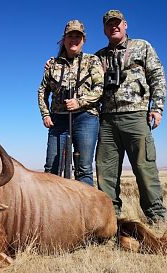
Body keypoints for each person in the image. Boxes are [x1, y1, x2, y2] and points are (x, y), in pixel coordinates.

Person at [95, 10, 167, 225]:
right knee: (105, 173)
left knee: (145, 169)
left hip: (136, 116)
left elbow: (157, 76)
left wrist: (158, 107)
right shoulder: (99, 56)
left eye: (117, 23)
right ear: (105, 29)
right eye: (109, 24)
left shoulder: (142, 46)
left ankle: (156, 218)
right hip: (107, 120)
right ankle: (110, 221)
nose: (114, 27)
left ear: (125, 25)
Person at [38, 20, 104, 186]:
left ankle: (86, 211)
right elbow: (42, 91)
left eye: (78, 36)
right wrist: (45, 114)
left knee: (84, 169)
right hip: (58, 120)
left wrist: (79, 102)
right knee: (51, 169)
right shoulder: (53, 64)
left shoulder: (92, 61)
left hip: (86, 118)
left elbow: (99, 89)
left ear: (83, 40)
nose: (74, 39)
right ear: (64, 39)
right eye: (70, 36)